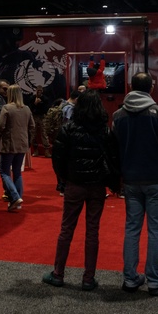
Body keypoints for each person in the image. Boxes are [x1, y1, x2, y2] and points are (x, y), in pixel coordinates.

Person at [43, 91, 120, 291]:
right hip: (96, 186)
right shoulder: (104, 131)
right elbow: (112, 159)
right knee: (92, 231)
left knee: (66, 229)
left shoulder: (68, 129)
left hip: (74, 185)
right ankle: (88, 278)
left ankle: (58, 274)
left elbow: (57, 159)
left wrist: (64, 180)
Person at [112, 72, 158, 296]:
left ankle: (130, 279)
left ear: (132, 86)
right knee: (156, 231)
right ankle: (154, 282)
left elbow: (115, 151)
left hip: (130, 181)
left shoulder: (118, 115)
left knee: (132, 229)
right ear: (151, 88)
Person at [0, 84, 34, 212]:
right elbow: (32, 126)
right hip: (22, 144)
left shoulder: (6, 108)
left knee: (4, 172)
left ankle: (15, 197)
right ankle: (17, 201)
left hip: (8, 144)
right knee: (17, 173)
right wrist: (28, 141)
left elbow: (0, 126)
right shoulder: (26, 109)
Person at [24, 85, 51, 156]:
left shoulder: (45, 98)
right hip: (34, 116)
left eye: (40, 91)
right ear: (36, 91)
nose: (39, 92)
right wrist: (35, 103)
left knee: (44, 133)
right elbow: (29, 108)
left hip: (42, 116)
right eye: (38, 91)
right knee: (33, 134)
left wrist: (41, 103)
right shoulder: (32, 98)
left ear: (42, 91)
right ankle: (35, 150)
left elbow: (46, 108)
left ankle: (46, 150)